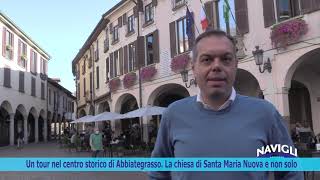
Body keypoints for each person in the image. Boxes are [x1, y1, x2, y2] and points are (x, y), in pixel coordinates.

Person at [149, 30, 303, 180]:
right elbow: (158, 172)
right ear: (194, 68)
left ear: (235, 65)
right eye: (207, 59)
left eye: (226, 59)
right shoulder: (173, 114)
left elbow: (290, 172)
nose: (216, 66)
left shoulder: (265, 113)